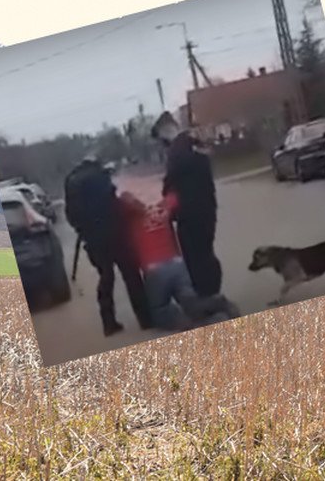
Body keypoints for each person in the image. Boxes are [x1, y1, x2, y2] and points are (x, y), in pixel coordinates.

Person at [63, 155, 152, 336]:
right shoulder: (100, 175)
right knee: (131, 275)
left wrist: (84, 231)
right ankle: (145, 318)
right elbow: (113, 202)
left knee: (106, 277)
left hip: (94, 240)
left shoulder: (71, 182)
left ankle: (108, 322)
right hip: (116, 233)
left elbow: (71, 216)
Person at [119, 191, 233, 329]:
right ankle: (217, 304)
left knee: (160, 309)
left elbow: (124, 198)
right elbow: (174, 196)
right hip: (177, 264)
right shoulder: (163, 210)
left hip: (155, 269)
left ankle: (186, 324)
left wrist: (141, 208)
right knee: (191, 301)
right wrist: (160, 207)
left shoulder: (133, 218)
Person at [151, 112, 223, 297]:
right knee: (204, 251)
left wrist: (167, 193)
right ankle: (211, 291)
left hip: (191, 213)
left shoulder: (180, 150)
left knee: (196, 255)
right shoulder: (193, 144)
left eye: (161, 140)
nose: (162, 146)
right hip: (205, 208)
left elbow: (174, 180)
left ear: (166, 131)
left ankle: (208, 295)